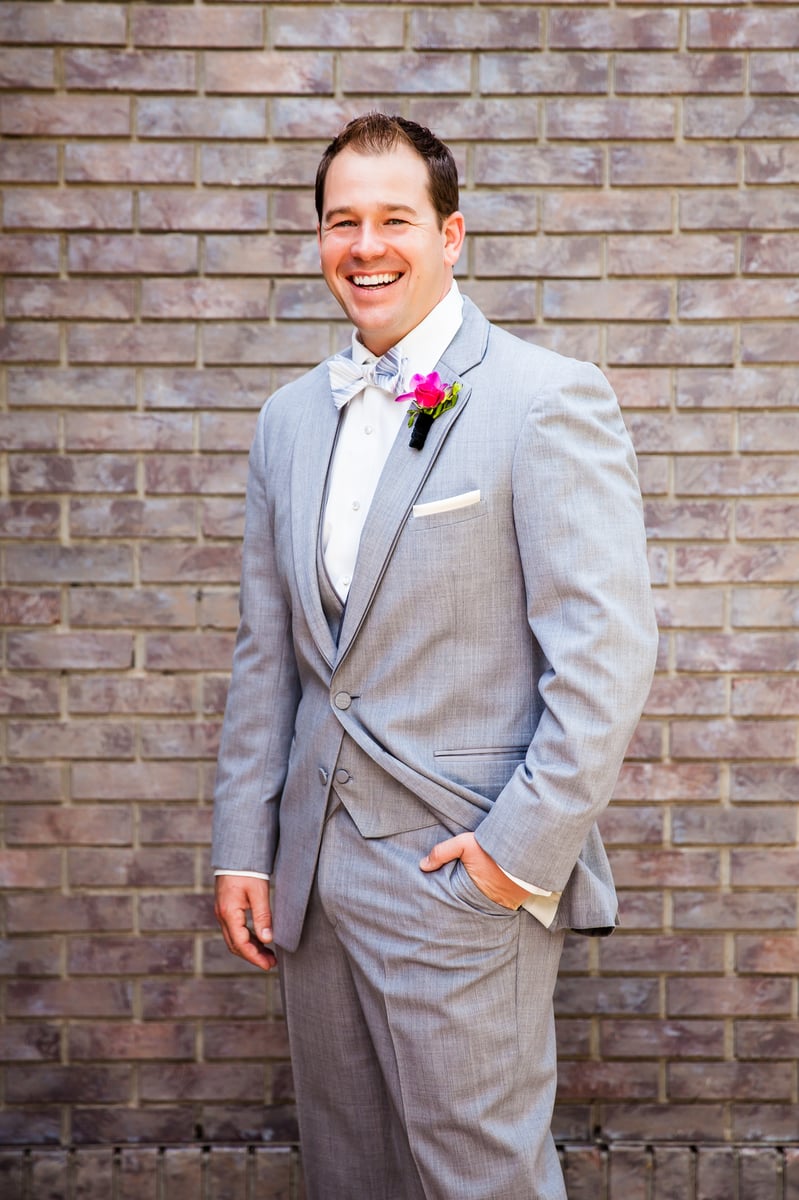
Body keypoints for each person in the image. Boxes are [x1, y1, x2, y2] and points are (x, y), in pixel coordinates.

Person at [212, 113, 658, 1200]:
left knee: (479, 1181)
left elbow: (604, 656)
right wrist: (245, 847)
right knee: (350, 1175)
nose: (365, 247)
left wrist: (512, 858)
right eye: (341, 222)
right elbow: (269, 654)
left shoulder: (544, 398)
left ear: (450, 235)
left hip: (459, 875)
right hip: (311, 880)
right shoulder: (286, 420)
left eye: (394, 220)